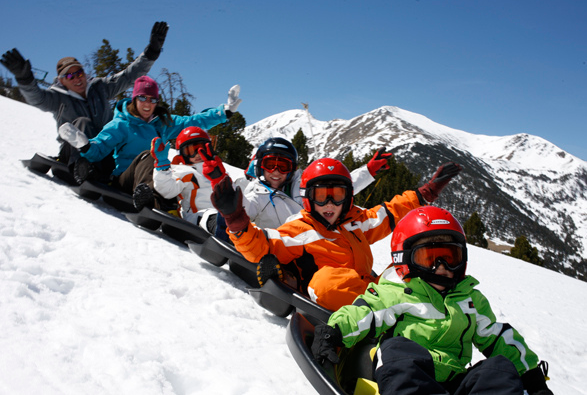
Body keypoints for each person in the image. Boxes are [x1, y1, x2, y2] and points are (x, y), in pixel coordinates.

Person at [310, 206, 553, 395]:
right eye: (430, 258)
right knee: (398, 349)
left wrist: (531, 376)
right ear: (405, 259)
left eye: (450, 257)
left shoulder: (470, 299)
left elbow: (498, 338)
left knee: (498, 369)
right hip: (402, 375)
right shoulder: (397, 291)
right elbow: (364, 311)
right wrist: (334, 331)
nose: (441, 268)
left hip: (452, 379)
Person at [210, 157, 462, 311]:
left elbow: (390, 212)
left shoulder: (355, 222)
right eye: (322, 196)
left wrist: (427, 192)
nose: (329, 204)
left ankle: (421, 305)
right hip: (334, 293)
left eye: (337, 195)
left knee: (410, 266)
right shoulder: (301, 228)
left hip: (371, 288)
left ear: (348, 198)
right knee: (326, 284)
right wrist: (236, 220)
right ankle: (392, 308)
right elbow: (260, 245)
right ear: (309, 198)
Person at [0, 22, 169, 176]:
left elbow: (128, 76)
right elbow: (36, 98)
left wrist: (152, 52)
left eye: (79, 73)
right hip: (73, 152)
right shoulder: (57, 98)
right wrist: (25, 79)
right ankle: (79, 168)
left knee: (120, 137)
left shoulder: (99, 88)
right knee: (82, 122)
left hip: (103, 151)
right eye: (70, 75)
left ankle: (107, 173)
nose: (77, 78)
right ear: (62, 80)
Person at [58, 77, 242, 209]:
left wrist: (224, 112)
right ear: (134, 99)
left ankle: (159, 197)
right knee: (148, 156)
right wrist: (85, 145)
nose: (148, 103)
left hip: (156, 178)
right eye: (143, 98)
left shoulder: (162, 123)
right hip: (125, 178)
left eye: (153, 99)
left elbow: (193, 121)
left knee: (159, 164)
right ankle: (152, 199)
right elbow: (100, 148)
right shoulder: (122, 123)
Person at [241, 137, 390, 229]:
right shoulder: (256, 195)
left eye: (283, 166)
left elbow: (339, 187)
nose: (276, 171)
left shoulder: (302, 184)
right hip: (283, 249)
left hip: (316, 241)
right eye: (270, 164)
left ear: (292, 168)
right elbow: (241, 210)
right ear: (260, 166)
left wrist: (369, 170)